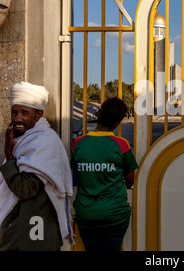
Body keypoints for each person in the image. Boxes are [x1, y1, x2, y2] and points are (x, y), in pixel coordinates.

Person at [0, 81, 74, 251]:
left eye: (24, 113)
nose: (17, 118)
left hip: (31, 237)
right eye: (14, 112)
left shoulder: (44, 142)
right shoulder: (27, 139)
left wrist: (8, 153)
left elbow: (25, 189)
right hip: (21, 233)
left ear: (38, 114)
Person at [71, 97, 138, 251]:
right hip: (115, 215)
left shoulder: (78, 143)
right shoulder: (122, 145)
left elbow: (77, 174)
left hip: (86, 214)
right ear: (117, 124)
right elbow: (130, 180)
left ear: (98, 115)